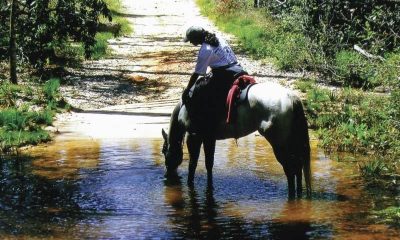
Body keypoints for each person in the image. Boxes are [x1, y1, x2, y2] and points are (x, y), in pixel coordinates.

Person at [182, 26, 247, 134]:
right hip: (239, 69)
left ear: (197, 38)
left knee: (198, 90)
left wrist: (188, 89)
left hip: (225, 75)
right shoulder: (218, 37)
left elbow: (198, 73)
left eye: (191, 40)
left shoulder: (205, 49)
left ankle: (205, 124)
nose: (190, 43)